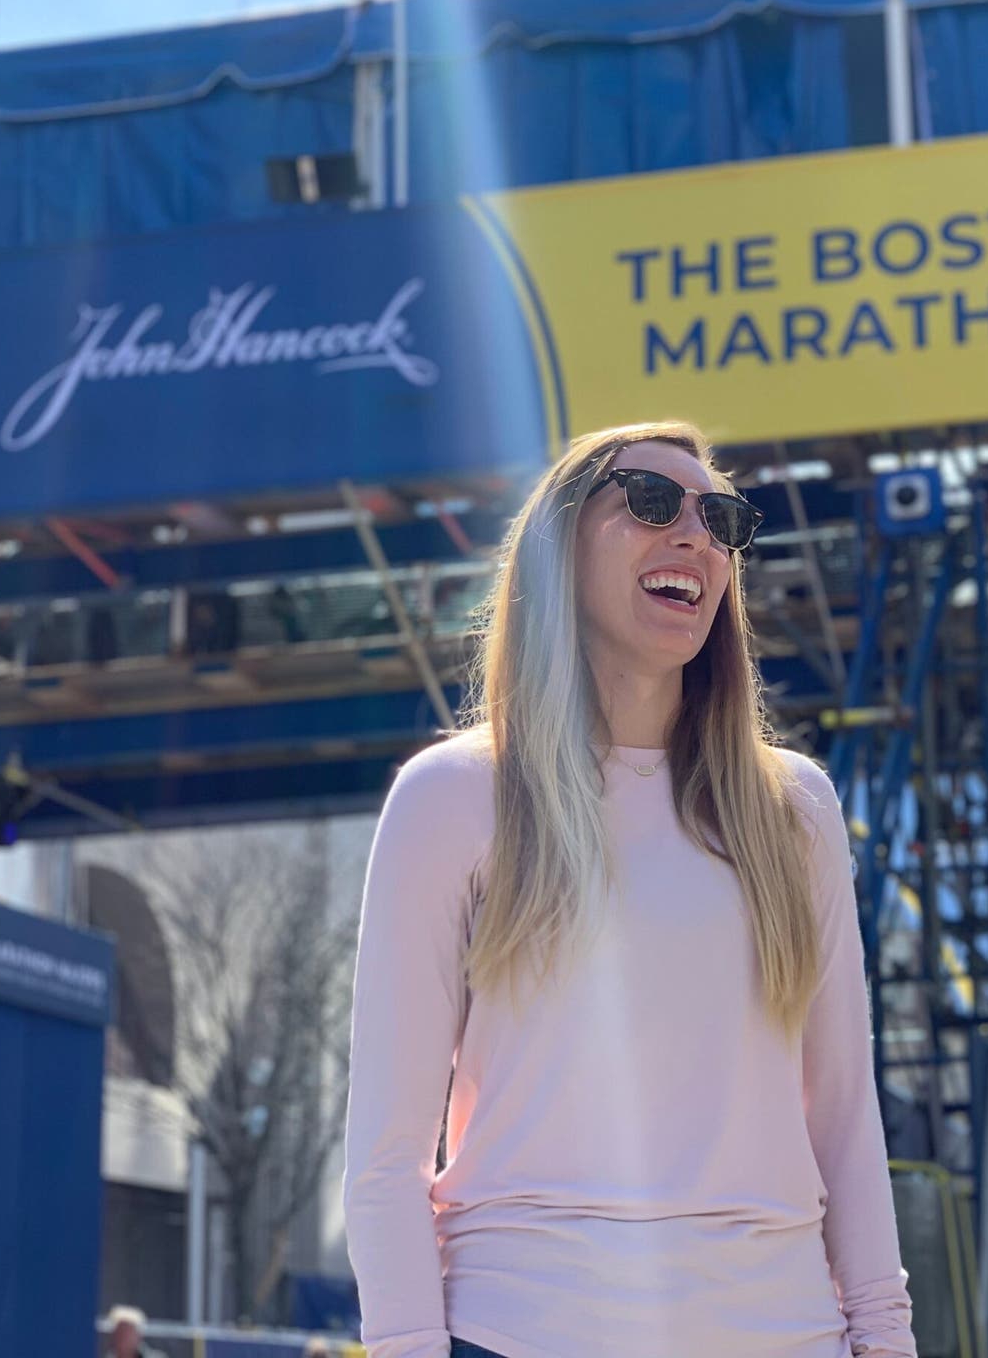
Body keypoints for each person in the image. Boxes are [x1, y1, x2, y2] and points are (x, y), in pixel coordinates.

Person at [341, 424, 915, 1358]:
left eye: (719, 519)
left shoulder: (794, 809)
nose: (694, 535)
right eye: (650, 502)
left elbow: (846, 1116)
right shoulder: (454, 796)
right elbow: (385, 1154)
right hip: (520, 1330)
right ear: (558, 549)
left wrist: (886, 1340)